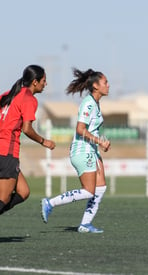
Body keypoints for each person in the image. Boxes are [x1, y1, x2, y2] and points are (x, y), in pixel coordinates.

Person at [0, 64, 56, 246]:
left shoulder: (13, 93)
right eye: (44, 81)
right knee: (2, 197)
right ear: (35, 82)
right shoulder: (29, 99)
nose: (46, 84)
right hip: (5, 151)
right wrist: (43, 141)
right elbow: (27, 129)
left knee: (23, 192)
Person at [41, 68, 111, 233]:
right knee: (88, 191)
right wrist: (100, 141)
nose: (108, 85)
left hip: (91, 150)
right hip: (83, 150)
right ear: (95, 86)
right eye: (105, 82)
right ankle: (50, 203)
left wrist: (99, 143)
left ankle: (85, 224)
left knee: (100, 188)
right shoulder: (88, 103)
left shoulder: (95, 103)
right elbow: (80, 129)